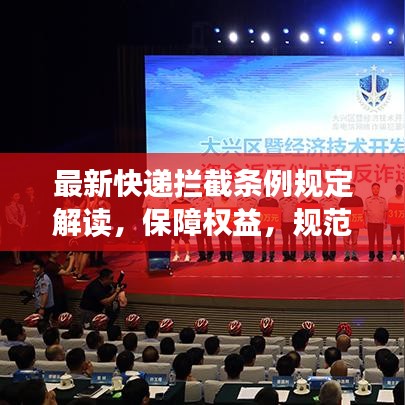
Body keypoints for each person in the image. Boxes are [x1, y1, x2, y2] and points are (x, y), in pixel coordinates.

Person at [339, 183, 363, 261]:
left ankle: (354, 255)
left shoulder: (359, 199)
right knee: (346, 241)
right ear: (347, 190)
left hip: (355, 223)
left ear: (355, 189)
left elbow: (361, 212)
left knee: (354, 241)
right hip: (346, 223)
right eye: (349, 189)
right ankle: (347, 255)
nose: (351, 190)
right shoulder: (343, 199)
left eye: (352, 189)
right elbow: (340, 211)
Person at [365, 183, 387, 262]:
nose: (375, 190)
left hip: (380, 223)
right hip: (371, 223)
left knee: (380, 240)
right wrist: (365, 222)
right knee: (371, 241)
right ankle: (371, 255)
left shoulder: (383, 200)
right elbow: (365, 212)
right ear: (372, 189)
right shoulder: (368, 200)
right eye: (374, 188)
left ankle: (380, 255)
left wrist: (385, 222)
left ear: (379, 189)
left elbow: (385, 212)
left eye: (377, 188)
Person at [44, 252, 70, 319]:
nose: (58, 253)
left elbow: (63, 268)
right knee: (58, 314)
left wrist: (67, 259)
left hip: (59, 291)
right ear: (51, 254)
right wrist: (72, 260)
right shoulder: (50, 265)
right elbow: (66, 273)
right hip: (55, 293)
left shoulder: (54, 263)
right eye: (57, 252)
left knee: (63, 313)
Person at [193, 185, 215, 262]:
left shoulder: (210, 200)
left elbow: (213, 211)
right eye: (200, 189)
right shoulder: (195, 201)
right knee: (199, 240)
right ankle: (202, 256)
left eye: (202, 189)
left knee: (208, 240)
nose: (201, 190)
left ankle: (209, 255)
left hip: (207, 222)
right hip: (198, 222)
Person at [4, 192, 26, 266]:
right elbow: (11, 218)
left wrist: (23, 225)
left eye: (18, 196)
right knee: (14, 244)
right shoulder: (8, 206)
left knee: (19, 243)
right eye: (16, 196)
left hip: (21, 226)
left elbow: (24, 215)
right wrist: (19, 225)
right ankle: (15, 259)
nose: (18, 197)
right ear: (12, 197)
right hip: (13, 227)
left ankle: (19, 258)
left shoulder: (21, 205)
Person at [170, 192, 192, 262]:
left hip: (185, 224)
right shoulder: (173, 203)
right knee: (176, 240)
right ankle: (176, 255)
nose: (181, 195)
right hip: (176, 224)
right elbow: (170, 215)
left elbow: (191, 214)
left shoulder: (188, 203)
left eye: (182, 194)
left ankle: (188, 255)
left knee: (186, 239)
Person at [257, 194, 279, 262]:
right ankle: (264, 257)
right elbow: (258, 212)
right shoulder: (261, 201)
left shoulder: (275, 201)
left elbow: (277, 211)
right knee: (263, 242)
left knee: (271, 242)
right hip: (263, 225)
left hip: (271, 225)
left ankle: (272, 257)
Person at [237, 196, 258, 262]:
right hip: (242, 223)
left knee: (251, 241)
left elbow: (257, 212)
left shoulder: (254, 201)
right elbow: (236, 212)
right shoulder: (239, 201)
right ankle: (245, 256)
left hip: (251, 223)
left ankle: (251, 257)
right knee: (243, 241)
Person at [319, 193, 340, 261]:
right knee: (325, 240)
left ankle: (332, 256)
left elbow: (338, 212)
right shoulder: (321, 201)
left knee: (333, 240)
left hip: (333, 223)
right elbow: (319, 212)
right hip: (324, 223)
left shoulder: (335, 201)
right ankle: (325, 256)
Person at [300, 193, 319, 262]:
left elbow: (318, 213)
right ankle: (306, 256)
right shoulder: (301, 203)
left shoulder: (315, 202)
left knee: (313, 241)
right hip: (304, 225)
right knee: (305, 242)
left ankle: (312, 256)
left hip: (313, 225)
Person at [279, 194, 298, 261]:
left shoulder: (295, 201)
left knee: (293, 240)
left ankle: (293, 256)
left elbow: (298, 211)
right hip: (284, 223)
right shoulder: (281, 201)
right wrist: (279, 223)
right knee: (285, 240)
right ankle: (286, 256)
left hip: (293, 223)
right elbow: (279, 212)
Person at [389, 185, 405, 262]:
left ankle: (402, 254)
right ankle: (394, 254)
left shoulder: (404, 199)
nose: (399, 191)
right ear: (395, 189)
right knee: (394, 240)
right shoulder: (391, 199)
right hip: (394, 224)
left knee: (402, 240)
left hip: (402, 225)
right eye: (398, 189)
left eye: (400, 190)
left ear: (402, 190)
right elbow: (389, 212)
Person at [217, 195, 235, 262]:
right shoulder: (217, 203)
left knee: (228, 241)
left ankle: (229, 256)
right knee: (221, 241)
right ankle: (222, 256)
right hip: (220, 224)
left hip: (228, 225)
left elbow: (234, 214)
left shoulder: (232, 203)